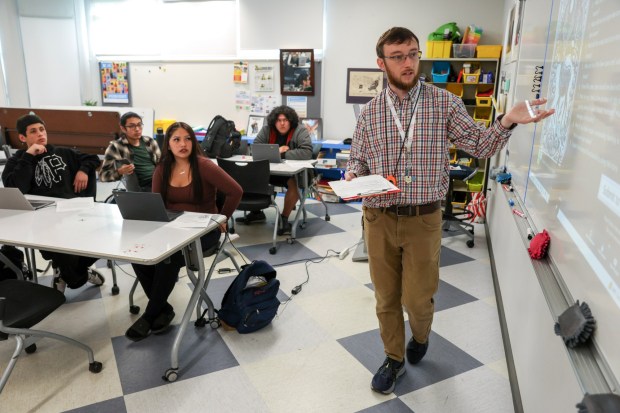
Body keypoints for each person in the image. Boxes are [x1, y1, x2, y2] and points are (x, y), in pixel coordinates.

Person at [345, 27, 554, 394]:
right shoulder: (369, 113)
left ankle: (421, 335)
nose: (408, 63)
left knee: (418, 298)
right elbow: (357, 162)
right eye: (398, 57)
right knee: (385, 298)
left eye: (413, 53)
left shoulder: (445, 103)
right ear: (381, 63)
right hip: (377, 218)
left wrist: (507, 120)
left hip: (423, 218)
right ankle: (393, 359)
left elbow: (481, 144)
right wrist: (350, 178)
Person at [125, 122, 242, 341]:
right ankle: (163, 309)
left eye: (188, 138)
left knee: (168, 259)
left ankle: (150, 316)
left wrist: (222, 219)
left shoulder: (204, 165)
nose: (183, 144)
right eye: (176, 139)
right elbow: (157, 204)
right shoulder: (162, 168)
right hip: (172, 229)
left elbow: (235, 191)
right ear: (168, 144)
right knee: (138, 254)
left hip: (204, 231)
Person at [1, 114, 106, 292]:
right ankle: (79, 275)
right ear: (22, 137)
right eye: (33, 131)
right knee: (60, 251)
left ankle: (64, 271)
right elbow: (16, 188)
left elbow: (93, 159)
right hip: (42, 222)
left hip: (74, 214)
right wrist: (28, 156)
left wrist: (83, 170)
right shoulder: (17, 161)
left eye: (42, 129)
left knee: (102, 241)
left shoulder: (63, 152)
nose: (40, 134)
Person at [240, 105, 312, 234]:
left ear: (291, 121)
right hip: (270, 170)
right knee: (252, 176)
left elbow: (306, 152)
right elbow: (254, 149)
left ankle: (284, 220)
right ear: (274, 121)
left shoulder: (300, 130)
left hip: (293, 172)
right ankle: (256, 212)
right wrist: (278, 151)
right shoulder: (267, 129)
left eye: (285, 120)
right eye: (279, 120)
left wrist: (283, 154)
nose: (282, 123)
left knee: (294, 183)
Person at [99, 112, 161, 192]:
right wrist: (120, 172)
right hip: (142, 189)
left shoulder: (150, 141)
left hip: (159, 182)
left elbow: (161, 164)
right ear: (123, 128)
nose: (137, 129)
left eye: (139, 125)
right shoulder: (116, 147)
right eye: (132, 126)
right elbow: (103, 176)